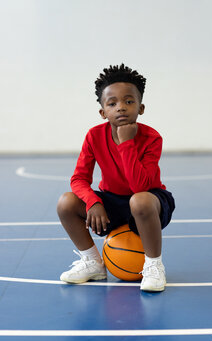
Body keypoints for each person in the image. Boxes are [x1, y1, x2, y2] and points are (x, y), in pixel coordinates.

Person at [57, 64, 175, 292]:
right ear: (103, 112)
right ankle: (93, 262)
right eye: (112, 103)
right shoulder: (94, 136)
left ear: (141, 108)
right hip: (112, 200)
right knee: (66, 202)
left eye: (129, 102)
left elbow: (140, 186)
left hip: (150, 202)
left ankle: (153, 266)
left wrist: (126, 143)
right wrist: (94, 201)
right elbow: (79, 178)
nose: (121, 108)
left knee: (138, 199)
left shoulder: (152, 137)